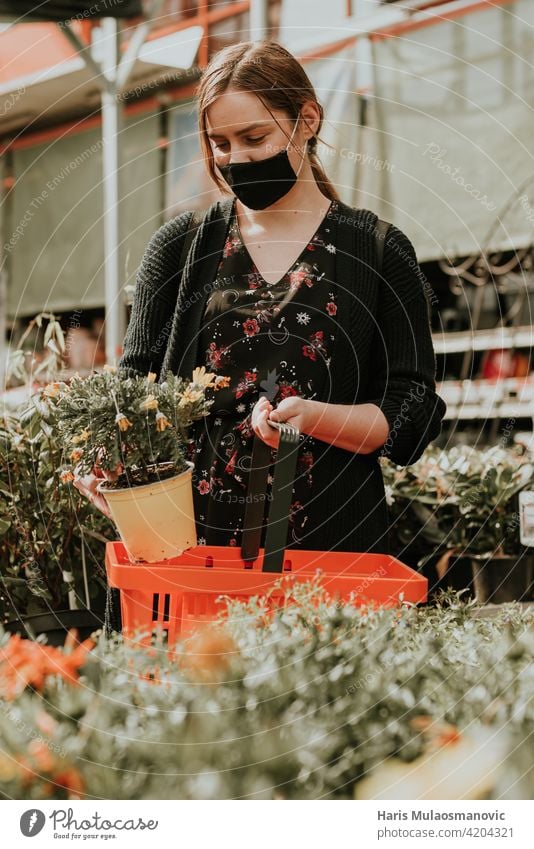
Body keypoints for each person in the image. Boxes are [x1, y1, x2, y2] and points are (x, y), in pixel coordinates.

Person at [74, 39, 447, 554]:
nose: (237, 158)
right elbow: (135, 389)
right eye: (220, 144)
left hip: (331, 533)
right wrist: (110, 465)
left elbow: (411, 409)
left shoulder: (378, 250)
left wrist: (315, 418)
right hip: (191, 537)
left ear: (308, 119)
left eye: (254, 136)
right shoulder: (179, 248)